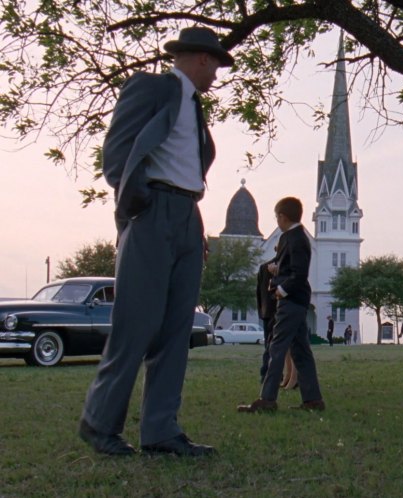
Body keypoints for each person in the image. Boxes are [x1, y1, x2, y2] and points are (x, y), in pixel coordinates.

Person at [78, 26, 233, 457]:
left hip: (189, 215)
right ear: (201, 59)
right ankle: (98, 422)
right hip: (153, 211)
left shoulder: (195, 109)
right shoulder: (150, 88)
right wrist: (140, 203)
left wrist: (192, 223)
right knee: (137, 323)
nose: (216, 75)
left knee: (175, 328)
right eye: (215, 66)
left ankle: (160, 431)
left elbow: (190, 166)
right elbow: (117, 155)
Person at [238, 197, 325, 413]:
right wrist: (278, 269)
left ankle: (267, 399)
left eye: (277, 216)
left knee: (276, 347)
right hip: (296, 301)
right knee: (300, 350)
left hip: (291, 301)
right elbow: (292, 268)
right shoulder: (293, 237)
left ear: (282, 217)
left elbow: (299, 274)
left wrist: (281, 289)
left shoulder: (296, 239)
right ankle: (313, 400)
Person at [257, 258, 277, 382]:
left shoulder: (264, 267)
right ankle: (268, 374)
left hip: (267, 312)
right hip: (275, 310)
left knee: (270, 344)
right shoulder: (285, 266)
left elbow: (259, 293)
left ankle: (266, 373)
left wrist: (262, 311)